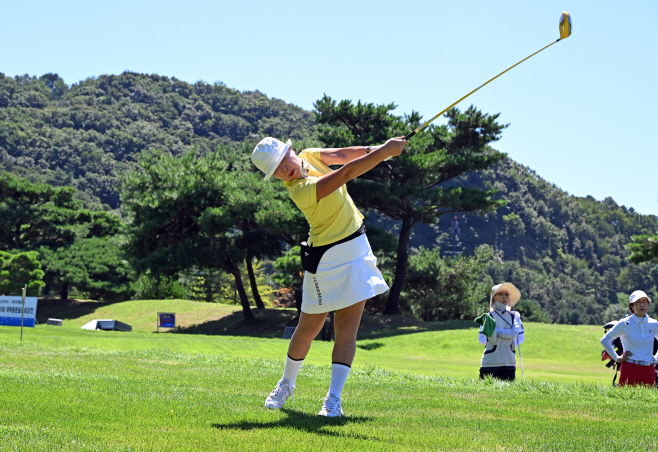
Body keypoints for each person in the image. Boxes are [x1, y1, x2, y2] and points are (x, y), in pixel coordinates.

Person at [251, 136, 407, 417]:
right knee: (309, 326)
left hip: (356, 248)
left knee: (346, 328)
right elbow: (345, 173)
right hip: (324, 257)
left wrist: (379, 148)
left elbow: (346, 154)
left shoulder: (311, 156)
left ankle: (333, 399)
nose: (284, 170)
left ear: (291, 151)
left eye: (283, 161)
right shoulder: (299, 190)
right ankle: (287, 383)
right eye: (276, 170)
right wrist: (385, 152)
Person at [600, 290, 658, 387]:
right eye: (638, 303)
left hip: (649, 369)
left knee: (648, 400)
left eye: (644, 302)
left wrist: (656, 358)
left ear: (648, 305)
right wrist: (617, 358)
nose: (642, 305)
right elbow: (605, 340)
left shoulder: (654, 323)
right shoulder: (624, 323)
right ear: (631, 306)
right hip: (629, 367)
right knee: (627, 400)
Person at [478, 282, 524, 381]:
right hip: (490, 363)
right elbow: (481, 339)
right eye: (501, 294)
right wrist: (501, 339)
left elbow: (515, 333)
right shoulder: (488, 317)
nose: (505, 297)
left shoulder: (514, 315)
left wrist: (497, 332)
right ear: (494, 297)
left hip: (509, 364)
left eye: (507, 294)